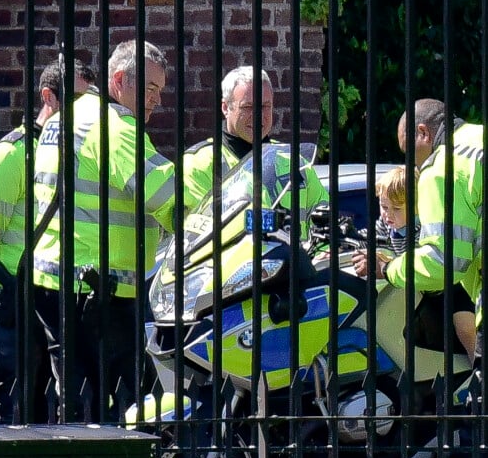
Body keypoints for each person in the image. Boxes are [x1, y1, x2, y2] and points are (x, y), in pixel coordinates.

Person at [32, 40, 176, 422]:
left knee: (75, 400)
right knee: (117, 406)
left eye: (160, 91)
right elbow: (164, 194)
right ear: (118, 80)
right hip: (98, 290)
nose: (156, 102)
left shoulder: (69, 117)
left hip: (55, 283)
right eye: (149, 89)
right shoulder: (114, 125)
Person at [0, 59, 96, 422]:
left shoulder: (81, 159)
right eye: (75, 102)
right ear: (47, 97)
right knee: (17, 417)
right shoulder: (12, 157)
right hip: (13, 308)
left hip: (57, 306)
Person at [351, 99, 483, 366]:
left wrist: (388, 270)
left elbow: (444, 262)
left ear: (423, 133)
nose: (411, 163)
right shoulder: (479, 138)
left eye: (408, 151)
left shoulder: (442, 167)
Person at [183, 65, 329, 237]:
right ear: (225, 108)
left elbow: (327, 226)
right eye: (247, 107)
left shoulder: (294, 161)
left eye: (265, 106)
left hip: (294, 263)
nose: (258, 115)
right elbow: (199, 238)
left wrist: (324, 252)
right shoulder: (199, 162)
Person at [357, 164, 476, 362]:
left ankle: (479, 372)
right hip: (420, 292)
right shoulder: (386, 225)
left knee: (465, 328)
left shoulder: (424, 227)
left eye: (397, 208)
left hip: (450, 288)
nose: (388, 215)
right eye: (384, 206)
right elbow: (365, 239)